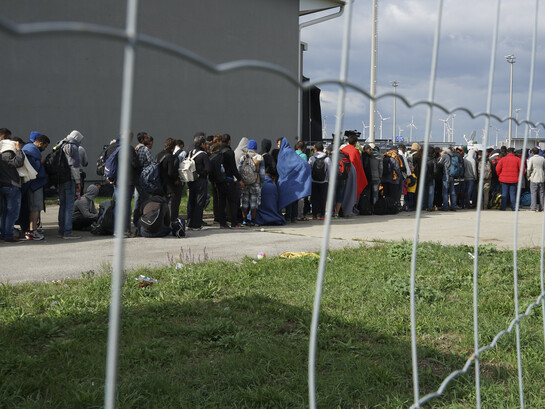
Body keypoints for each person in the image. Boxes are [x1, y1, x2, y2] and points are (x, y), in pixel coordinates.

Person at [22, 134, 50, 240]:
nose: (44, 149)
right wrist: (41, 162)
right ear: (40, 143)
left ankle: (32, 229)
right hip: (35, 184)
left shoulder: (29, 149)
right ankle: (32, 231)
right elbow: (32, 167)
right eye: (45, 146)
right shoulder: (31, 151)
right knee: (35, 208)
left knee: (35, 208)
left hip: (34, 183)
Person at [57, 130, 84, 239]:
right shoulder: (73, 147)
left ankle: (61, 230)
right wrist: (78, 181)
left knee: (62, 205)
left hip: (60, 179)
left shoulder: (61, 144)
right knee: (69, 206)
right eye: (80, 140)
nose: (81, 143)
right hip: (70, 179)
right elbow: (74, 166)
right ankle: (67, 232)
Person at [0, 137, 25, 242]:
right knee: (12, 212)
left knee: (5, 212)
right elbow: (18, 162)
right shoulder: (9, 154)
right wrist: (19, 150)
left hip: (3, 185)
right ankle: (9, 235)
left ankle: (4, 233)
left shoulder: (1, 155)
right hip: (12, 185)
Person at [186, 133, 211, 231]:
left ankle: (189, 223)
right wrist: (203, 172)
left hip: (191, 179)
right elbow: (208, 168)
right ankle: (197, 224)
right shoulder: (203, 154)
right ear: (202, 144)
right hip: (201, 180)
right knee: (199, 202)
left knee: (191, 201)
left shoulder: (190, 152)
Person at [238, 139, 265, 226]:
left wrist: (241, 180)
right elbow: (262, 173)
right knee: (254, 203)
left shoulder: (243, 157)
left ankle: (244, 220)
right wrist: (261, 183)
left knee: (244, 202)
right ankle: (253, 220)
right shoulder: (259, 158)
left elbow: (239, 170)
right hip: (255, 183)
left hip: (245, 183)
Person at [156, 137, 182, 222]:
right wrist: (176, 179)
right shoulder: (171, 157)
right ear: (173, 147)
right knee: (171, 205)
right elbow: (171, 173)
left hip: (159, 183)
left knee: (161, 204)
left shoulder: (159, 154)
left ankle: (160, 222)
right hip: (169, 186)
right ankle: (171, 222)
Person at [134, 131, 154, 227]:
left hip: (136, 177)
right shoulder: (146, 149)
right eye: (146, 138)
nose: (148, 139)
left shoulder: (136, 148)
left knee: (137, 200)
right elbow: (152, 163)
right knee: (146, 199)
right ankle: (145, 220)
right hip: (144, 178)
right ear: (142, 140)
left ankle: (135, 220)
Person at [308, 141, 330, 220]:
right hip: (324, 181)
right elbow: (329, 170)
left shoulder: (312, 158)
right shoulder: (327, 158)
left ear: (315, 149)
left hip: (313, 181)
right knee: (323, 198)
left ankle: (314, 215)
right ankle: (322, 215)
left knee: (314, 198)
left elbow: (309, 169)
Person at [496, 147, 521, 211]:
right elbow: (522, 170)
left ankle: (503, 207)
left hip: (504, 179)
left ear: (507, 152)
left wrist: (500, 175)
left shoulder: (503, 159)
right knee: (512, 193)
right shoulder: (518, 159)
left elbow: (497, 169)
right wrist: (518, 176)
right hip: (514, 179)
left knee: (504, 193)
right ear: (513, 152)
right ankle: (513, 207)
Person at [526, 147, 545, 212]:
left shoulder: (531, 159)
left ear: (532, 152)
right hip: (541, 177)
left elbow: (529, 169)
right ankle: (542, 207)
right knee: (541, 193)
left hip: (534, 177)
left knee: (533, 193)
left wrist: (528, 176)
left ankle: (533, 207)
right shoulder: (542, 159)